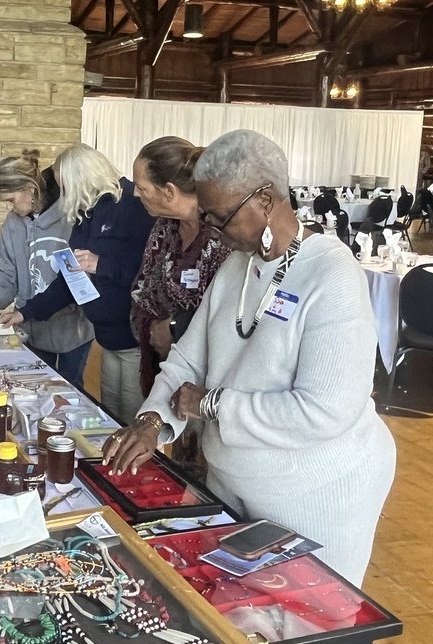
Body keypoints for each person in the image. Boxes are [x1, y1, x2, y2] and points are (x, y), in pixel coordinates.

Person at [104, 129, 396, 587]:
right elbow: (186, 360)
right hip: (233, 485)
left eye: (221, 217)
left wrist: (211, 404)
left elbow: (324, 411)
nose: (214, 231)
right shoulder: (235, 267)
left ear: (264, 201)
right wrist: (154, 420)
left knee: (304, 621)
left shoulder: (332, 274)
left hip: (315, 496)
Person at [0, 143, 153, 423]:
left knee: (131, 422)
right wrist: (26, 312)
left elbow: (150, 273)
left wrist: (101, 264)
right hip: (107, 339)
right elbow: (69, 279)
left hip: (133, 339)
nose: (63, 195)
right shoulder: (86, 214)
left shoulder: (132, 205)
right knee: (111, 418)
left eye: (64, 186)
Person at [0, 150, 94, 387]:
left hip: (73, 329)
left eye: (11, 200)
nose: (10, 208)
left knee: (71, 390)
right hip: (31, 327)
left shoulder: (70, 216)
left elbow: (77, 279)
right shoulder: (13, 224)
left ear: (30, 189)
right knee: (35, 387)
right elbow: (5, 271)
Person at [130, 137, 230, 396]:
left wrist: (174, 329)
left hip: (213, 381)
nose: (135, 194)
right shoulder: (164, 227)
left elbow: (230, 309)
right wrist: (153, 330)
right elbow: (143, 289)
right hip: (163, 368)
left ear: (169, 192)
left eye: (142, 187)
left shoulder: (224, 234)